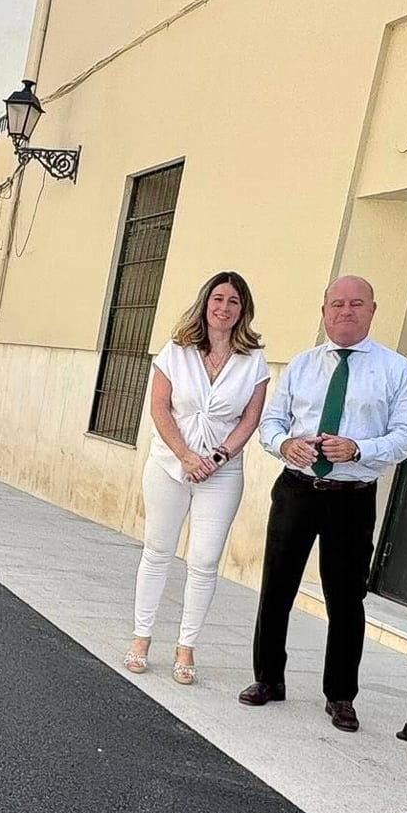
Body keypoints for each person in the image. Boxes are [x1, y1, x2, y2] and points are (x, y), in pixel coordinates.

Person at [240, 275, 407, 733]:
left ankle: (341, 695)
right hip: (297, 490)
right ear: (324, 311)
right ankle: (268, 679)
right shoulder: (301, 365)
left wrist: (359, 449)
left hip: (351, 498)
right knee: (277, 586)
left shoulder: (395, 369)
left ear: (372, 310)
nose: (346, 311)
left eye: (356, 303)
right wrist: (285, 446)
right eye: (337, 303)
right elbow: (271, 423)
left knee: (346, 599)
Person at [125, 271, 271, 685]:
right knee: (157, 551)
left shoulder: (253, 360)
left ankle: (186, 646)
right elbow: (158, 408)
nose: (224, 308)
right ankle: (142, 636)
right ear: (206, 302)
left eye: (234, 302)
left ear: (243, 310)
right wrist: (187, 456)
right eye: (218, 299)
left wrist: (219, 456)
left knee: (205, 562)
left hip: (222, 474)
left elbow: (250, 418)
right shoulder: (176, 351)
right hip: (170, 465)